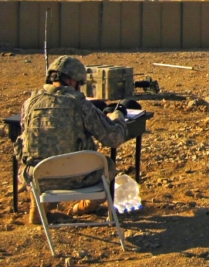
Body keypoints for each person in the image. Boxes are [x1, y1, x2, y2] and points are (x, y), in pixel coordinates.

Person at [14, 56, 127, 224]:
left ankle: (38, 208)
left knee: (35, 163)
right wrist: (117, 117)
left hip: (38, 177)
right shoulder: (80, 104)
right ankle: (85, 206)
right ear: (73, 81)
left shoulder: (29, 103)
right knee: (108, 166)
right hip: (79, 177)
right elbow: (113, 138)